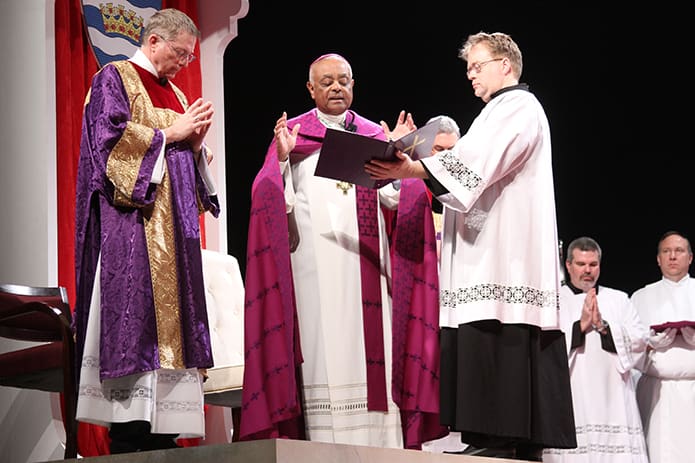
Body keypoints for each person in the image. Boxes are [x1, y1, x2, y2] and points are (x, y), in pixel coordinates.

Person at [365, 31, 577, 461]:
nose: (470, 75)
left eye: (477, 66)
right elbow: (473, 177)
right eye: (467, 69)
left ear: (506, 65)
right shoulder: (499, 111)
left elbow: (475, 162)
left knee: (499, 330)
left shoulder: (518, 107)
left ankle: (500, 437)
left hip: (505, 261)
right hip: (491, 250)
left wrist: (411, 166)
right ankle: (495, 437)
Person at [239, 53, 446, 450]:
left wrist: (401, 158)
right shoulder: (294, 135)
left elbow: (396, 199)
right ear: (311, 89)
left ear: (353, 85)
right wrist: (281, 160)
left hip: (366, 265)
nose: (336, 87)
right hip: (313, 267)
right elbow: (270, 202)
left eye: (344, 80)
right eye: (327, 81)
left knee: (375, 355)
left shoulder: (372, 134)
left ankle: (380, 449)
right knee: (321, 349)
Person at [73, 8, 219, 454]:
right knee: (135, 322)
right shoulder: (114, 78)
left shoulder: (174, 91)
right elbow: (108, 145)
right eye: (180, 53)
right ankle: (129, 432)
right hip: (131, 231)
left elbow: (184, 160)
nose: (184, 64)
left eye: (190, 57)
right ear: (154, 41)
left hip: (175, 236)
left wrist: (195, 148)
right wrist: (171, 134)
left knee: (175, 327)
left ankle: (165, 428)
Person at [543, 237, 649, 462]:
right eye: (581, 264)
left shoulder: (619, 299)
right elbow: (543, 349)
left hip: (614, 397)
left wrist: (604, 327)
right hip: (572, 394)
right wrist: (579, 327)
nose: (587, 270)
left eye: (593, 264)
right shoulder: (554, 301)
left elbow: (640, 340)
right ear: (568, 265)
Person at [631, 230, 695, 463]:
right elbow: (629, 346)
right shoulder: (641, 296)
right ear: (658, 259)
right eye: (666, 251)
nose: (672, 257)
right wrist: (648, 344)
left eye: (679, 251)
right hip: (657, 393)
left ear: (690, 257)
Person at [426, 115, 460, 260]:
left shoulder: (469, 182)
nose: (446, 157)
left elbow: (479, 222)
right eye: (439, 149)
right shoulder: (411, 183)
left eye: (451, 149)